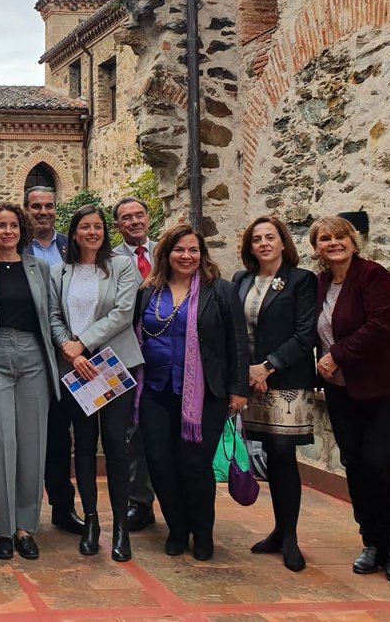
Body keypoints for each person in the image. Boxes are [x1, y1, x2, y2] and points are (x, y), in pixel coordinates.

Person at [311, 215, 390, 584]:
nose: (333, 243)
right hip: (344, 392)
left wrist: (336, 355)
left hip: (389, 389)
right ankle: (371, 543)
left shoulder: (372, 276)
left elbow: (382, 324)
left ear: (353, 241)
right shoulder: (320, 284)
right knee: (357, 466)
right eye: (324, 238)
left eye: (340, 236)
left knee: (380, 462)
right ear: (317, 249)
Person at [133, 224, 247, 562]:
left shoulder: (221, 292)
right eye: (179, 250)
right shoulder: (148, 291)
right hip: (155, 391)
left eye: (193, 250)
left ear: (202, 254)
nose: (186, 256)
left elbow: (237, 343)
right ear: (166, 254)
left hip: (204, 396)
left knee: (194, 465)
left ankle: (203, 531)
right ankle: (178, 529)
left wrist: (238, 389)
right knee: (160, 464)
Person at [0, 202, 61, 561]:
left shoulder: (41, 268)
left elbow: (50, 315)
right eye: (0, 226)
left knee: (32, 445)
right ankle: (4, 530)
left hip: (34, 356)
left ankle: (26, 528)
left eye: (13, 226)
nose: (7, 231)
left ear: (22, 230)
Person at [50, 205, 141, 560]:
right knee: (83, 448)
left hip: (113, 365)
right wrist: (70, 351)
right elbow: (54, 315)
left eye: (98, 227)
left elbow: (123, 313)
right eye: (85, 227)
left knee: (117, 447)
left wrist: (83, 343)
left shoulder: (120, 265)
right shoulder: (60, 272)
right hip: (78, 370)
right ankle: (90, 522)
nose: (93, 232)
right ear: (74, 233)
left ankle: (121, 527)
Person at [233, 216, 317, 573]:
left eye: (270, 237)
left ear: (283, 242)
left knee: (283, 454)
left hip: (285, 380)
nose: (264, 243)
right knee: (266, 450)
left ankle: (290, 537)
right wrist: (248, 372)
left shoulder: (302, 281)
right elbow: (235, 328)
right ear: (249, 247)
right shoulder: (241, 280)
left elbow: (305, 334)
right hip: (251, 381)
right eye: (257, 239)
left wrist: (267, 366)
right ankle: (278, 531)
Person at [21, 186, 80, 538]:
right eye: (35, 206)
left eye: (48, 206)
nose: (43, 212)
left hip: (72, 356)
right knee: (28, 436)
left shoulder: (70, 248)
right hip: (31, 354)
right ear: (25, 209)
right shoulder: (13, 247)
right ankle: (22, 511)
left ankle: (63, 507)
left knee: (60, 436)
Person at [112, 196, 158, 533]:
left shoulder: (170, 251)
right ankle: (138, 502)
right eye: (126, 218)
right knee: (132, 431)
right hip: (125, 356)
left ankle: (174, 499)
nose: (134, 222)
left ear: (148, 218)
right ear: (118, 226)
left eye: (138, 215)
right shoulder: (109, 260)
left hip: (167, 355)